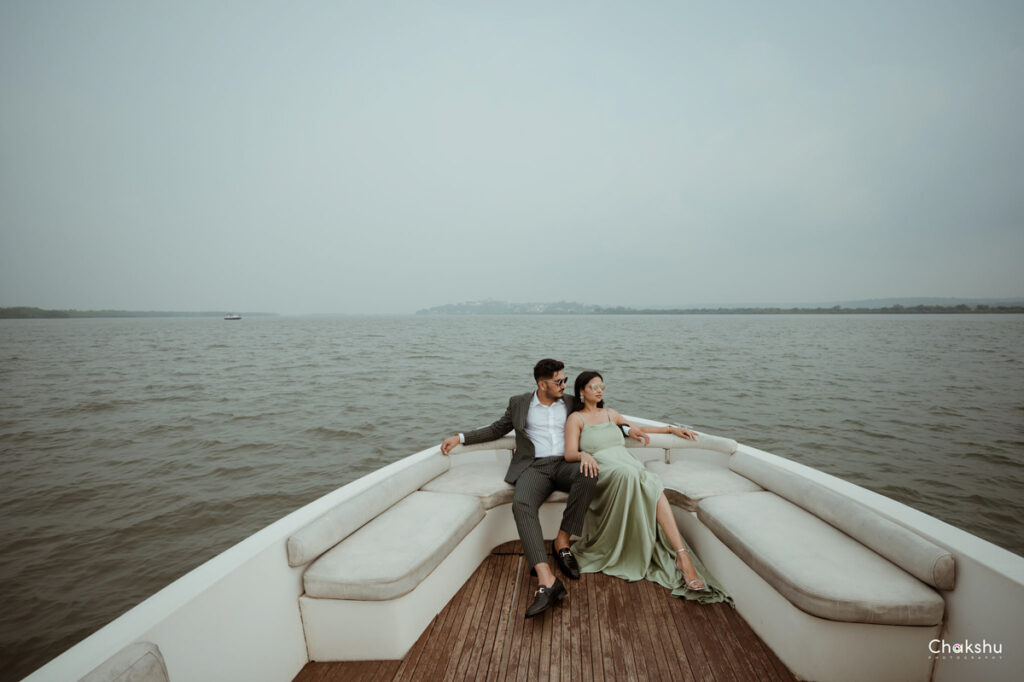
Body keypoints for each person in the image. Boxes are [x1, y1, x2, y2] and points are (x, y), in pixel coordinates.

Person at [440, 359, 650, 618]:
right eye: (558, 381)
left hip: (565, 463)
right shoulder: (519, 404)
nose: (564, 385)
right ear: (542, 384)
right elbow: (496, 429)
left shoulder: (572, 402)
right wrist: (460, 438)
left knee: (589, 474)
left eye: (564, 379)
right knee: (521, 504)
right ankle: (547, 578)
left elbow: (603, 419)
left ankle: (562, 543)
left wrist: (630, 430)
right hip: (534, 467)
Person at [564, 370, 730, 602]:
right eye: (593, 387)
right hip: (603, 468)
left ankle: (682, 556)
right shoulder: (576, 419)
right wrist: (583, 455)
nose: (600, 390)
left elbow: (640, 428)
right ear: (581, 391)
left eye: (602, 386)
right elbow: (569, 452)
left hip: (626, 462)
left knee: (650, 481)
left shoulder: (610, 414)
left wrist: (671, 429)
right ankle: (668, 553)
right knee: (634, 475)